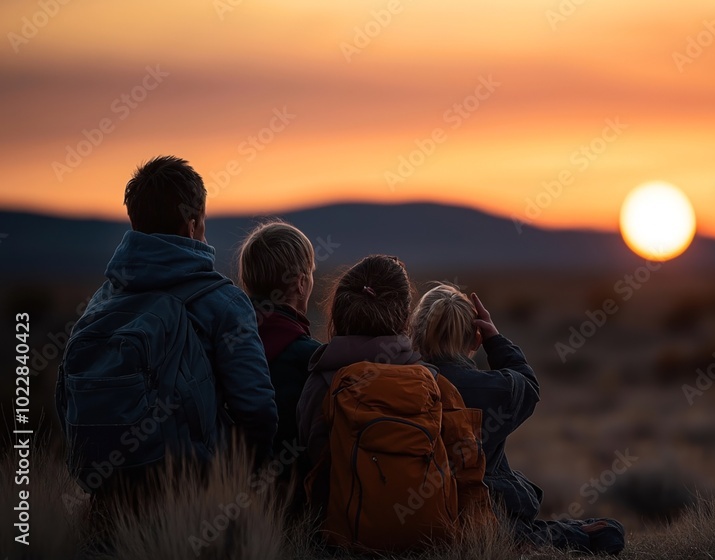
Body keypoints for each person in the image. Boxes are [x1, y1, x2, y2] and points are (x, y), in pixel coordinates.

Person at [56, 156, 278, 507]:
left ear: (134, 220)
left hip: (108, 492)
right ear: (192, 225)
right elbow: (258, 410)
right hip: (195, 495)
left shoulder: (102, 300)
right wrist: (241, 487)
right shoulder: (224, 301)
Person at [411, 283, 626, 555]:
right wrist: (495, 340)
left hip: (416, 514)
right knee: (606, 532)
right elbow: (528, 384)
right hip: (485, 517)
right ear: (475, 340)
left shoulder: (398, 387)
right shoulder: (493, 389)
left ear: (415, 335)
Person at [296, 255, 491, 552]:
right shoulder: (436, 385)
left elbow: (310, 460)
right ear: (404, 318)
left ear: (339, 312)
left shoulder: (321, 384)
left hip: (341, 541)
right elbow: (467, 473)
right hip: (433, 543)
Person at [236, 220, 320, 510]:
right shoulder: (312, 359)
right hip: (294, 504)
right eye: (310, 274)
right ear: (300, 282)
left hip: (227, 490)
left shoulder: (224, 345)